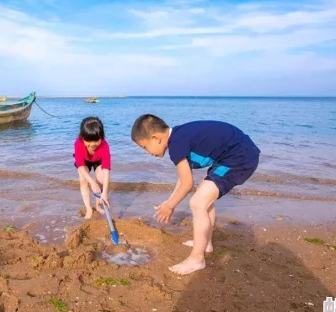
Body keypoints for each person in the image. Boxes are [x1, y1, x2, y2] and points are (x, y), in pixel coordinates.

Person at [130, 114, 260, 275]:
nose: (147, 152)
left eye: (144, 147)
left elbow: (187, 184)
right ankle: (206, 244)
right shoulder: (179, 137)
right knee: (204, 200)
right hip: (231, 155)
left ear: (156, 138)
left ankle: (197, 259)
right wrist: (169, 201)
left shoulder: (176, 145)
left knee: (198, 203)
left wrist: (170, 207)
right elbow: (183, 179)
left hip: (239, 157)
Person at [74, 116, 112, 219]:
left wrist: (105, 192)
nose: (92, 144)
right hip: (84, 162)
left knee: (100, 179)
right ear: (82, 137)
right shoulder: (78, 143)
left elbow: (106, 170)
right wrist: (92, 182)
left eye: (96, 140)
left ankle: (97, 205)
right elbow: (80, 166)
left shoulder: (104, 146)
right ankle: (88, 209)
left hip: (98, 161)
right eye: (88, 141)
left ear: (101, 137)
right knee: (83, 180)